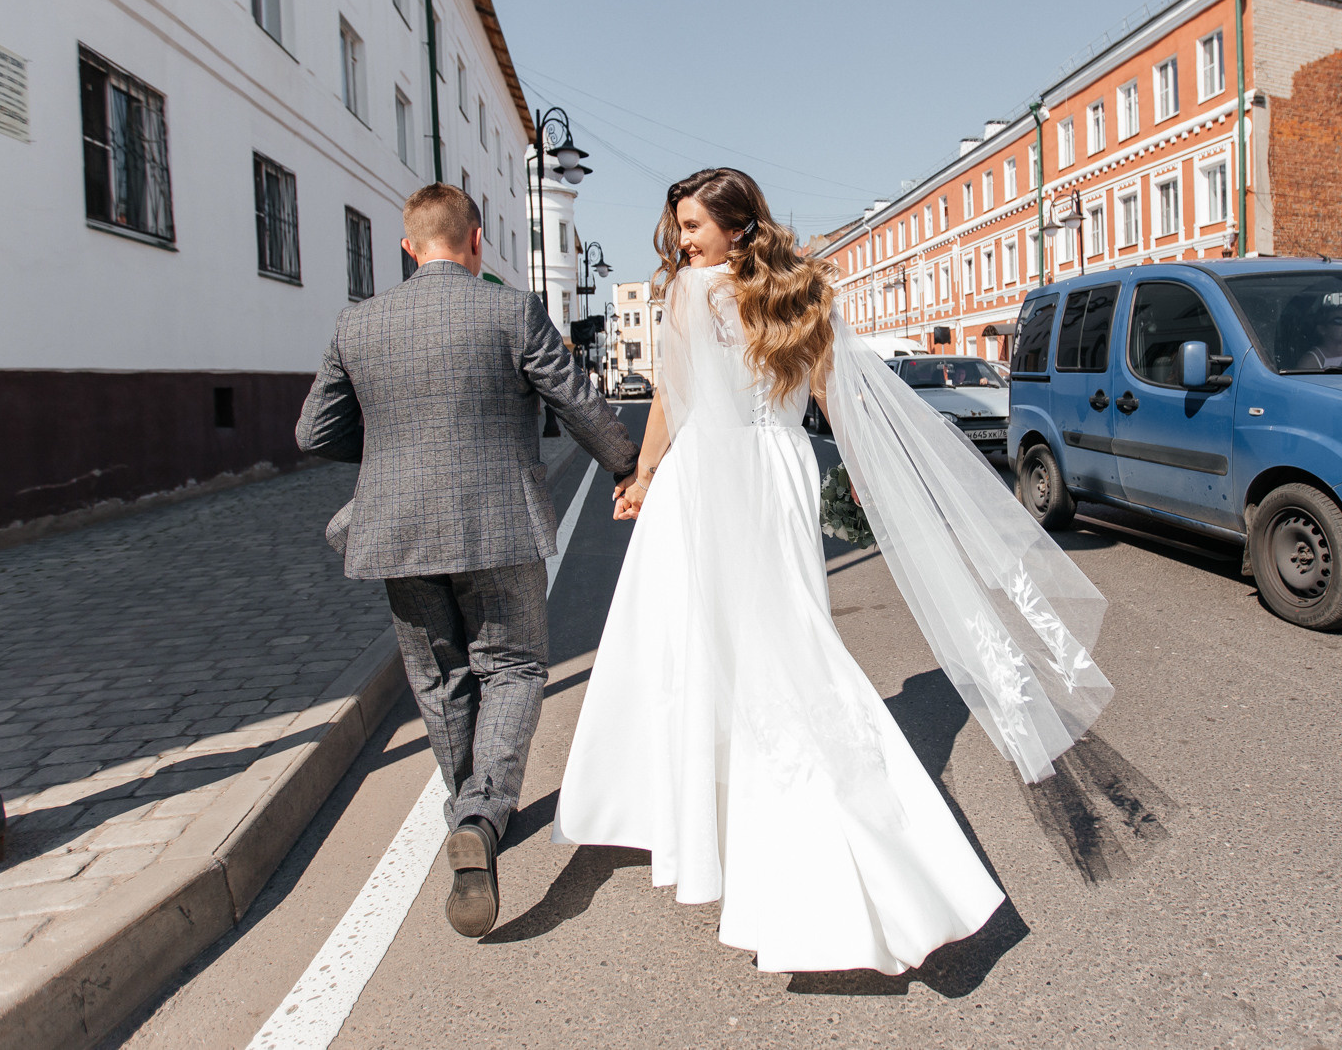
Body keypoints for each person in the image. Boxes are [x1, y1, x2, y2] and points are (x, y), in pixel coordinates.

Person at [554, 168, 1113, 974]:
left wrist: (645, 476)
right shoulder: (802, 293)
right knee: (781, 647)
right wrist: (859, 472)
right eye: (679, 226)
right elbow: (832, 396)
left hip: (709, 479)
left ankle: (738, 836)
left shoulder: (687, 295)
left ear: (737, 226)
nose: (682, 240)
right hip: (780, 472)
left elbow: (673, 400)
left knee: (706, 651)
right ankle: (813, 842)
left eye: (694, 225)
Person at [296, 184, 639, 939]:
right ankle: (482, 816)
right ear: (477, 240)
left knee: (438, 672)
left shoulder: (359, 322)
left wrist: (392, 452)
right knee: (511, 665)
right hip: (498, 523)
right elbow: (577, 402)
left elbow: (314, 432)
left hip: (398, 530)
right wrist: (629, 467)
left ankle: (469, 815)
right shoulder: (511, 310)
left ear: (408, 247)